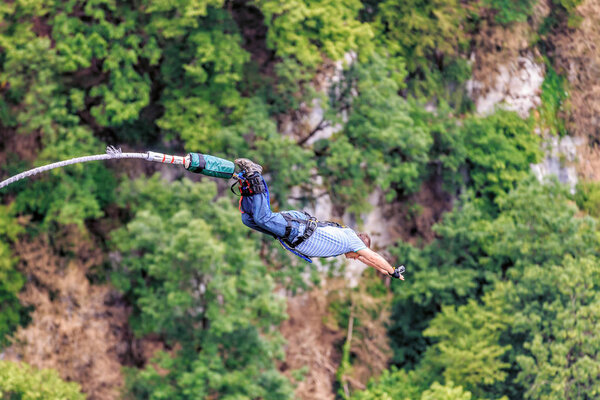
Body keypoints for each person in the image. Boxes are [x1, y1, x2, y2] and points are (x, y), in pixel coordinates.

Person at [234, 158, 404, 280]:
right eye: (358, 255)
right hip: (296, 229)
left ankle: (248, 185)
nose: (356, 258)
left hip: (295, 232)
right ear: (361, 245)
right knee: (263, 218)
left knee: (249, 220)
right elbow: (372, 256)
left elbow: (367, 259)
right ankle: (254, 175)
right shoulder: (352, 241)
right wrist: (393, 271)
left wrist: (385, 271)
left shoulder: (348, 242)